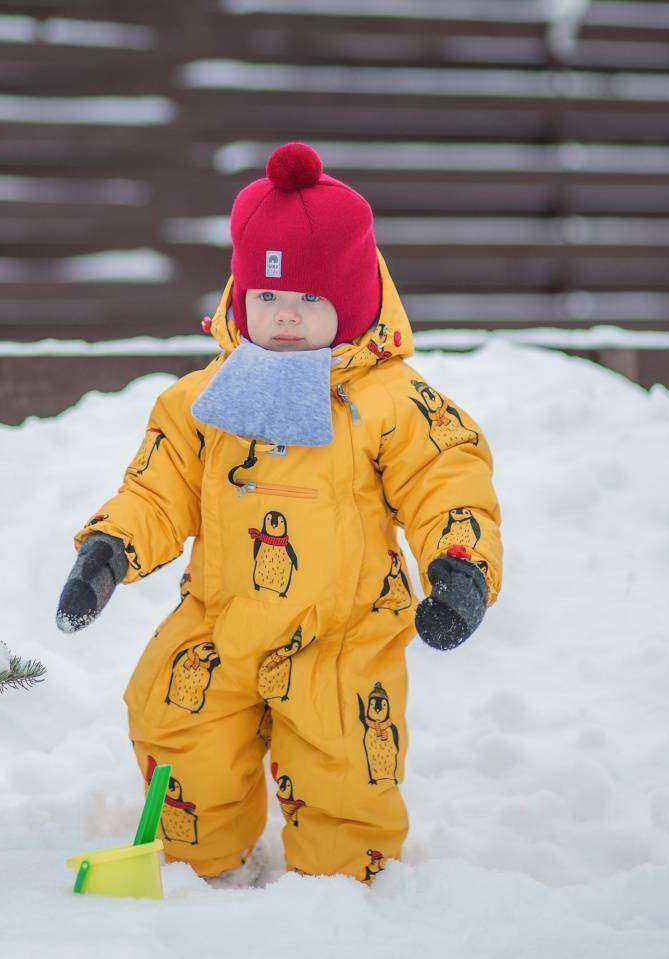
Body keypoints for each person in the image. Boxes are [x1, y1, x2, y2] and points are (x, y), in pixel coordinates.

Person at [55, 142, 503, 886]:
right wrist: (110, 549)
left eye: (307, 302)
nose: (285, 321)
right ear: (239, 297)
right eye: (267, 300)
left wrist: (459, 565)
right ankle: (201, 864)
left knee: (345, 779)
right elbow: (160, 482)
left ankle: (342, 896)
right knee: (174, 722)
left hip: (341, 635)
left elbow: (447, 475)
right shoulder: (205, 398)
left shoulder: (388, 401)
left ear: (351, 299)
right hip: (220, 618)